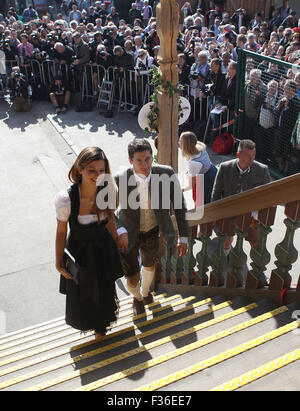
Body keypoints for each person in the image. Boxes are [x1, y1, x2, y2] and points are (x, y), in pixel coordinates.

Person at [55, 147, 123, 338]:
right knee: (84, 295)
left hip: (102, 248)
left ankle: (100, 333)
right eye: (92, 170)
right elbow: (61, 232)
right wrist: (58, 261)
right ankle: (93, 332)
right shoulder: (66, 198)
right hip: (80, 253)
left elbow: (110, 218)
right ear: (80, 168)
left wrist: (118, 239)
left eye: (101, 170)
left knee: (104, 291)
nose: (97, 175)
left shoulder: (109, 191)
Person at [115, 138, 189, 315]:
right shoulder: (119, 179)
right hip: (128, 233)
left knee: (149, 267)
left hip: (153, 231)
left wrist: (183, 237)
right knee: (132, 279)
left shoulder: (167, 174)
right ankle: (136, 296)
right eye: (139, 160)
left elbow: (179, 205)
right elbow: (106, 211)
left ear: (152, 157)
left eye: (148, 158)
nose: (144, 164)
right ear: (130, 160)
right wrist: (119, 229)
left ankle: (145, 294)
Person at [211, 139, 272, 258]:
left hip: (252, 216)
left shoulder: (262, 170)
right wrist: (214, 214)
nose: (252, 159)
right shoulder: (224, 168)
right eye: (248, 156)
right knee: (227, 237)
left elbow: (267, 195)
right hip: (230, 213)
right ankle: (224, 258)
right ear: (238, 154)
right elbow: (216, 192)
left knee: (255, 241)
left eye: (254, 155)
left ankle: (257, 268)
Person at [180, 131, 218, 206]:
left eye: (181, 141)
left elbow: (191, 186)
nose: (179, 143)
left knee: (202, 205)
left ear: (186, 145)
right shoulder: (199, 146)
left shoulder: (193, 163)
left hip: (205, 180)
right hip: (212, 170)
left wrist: (181, 190)